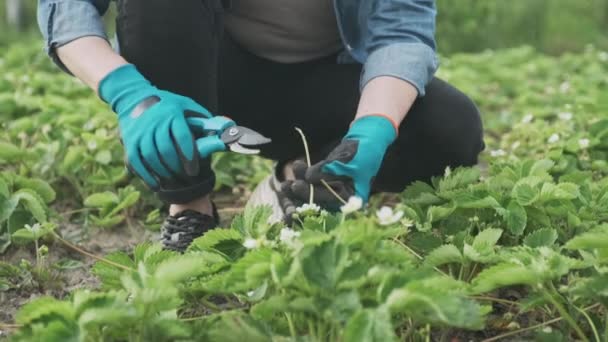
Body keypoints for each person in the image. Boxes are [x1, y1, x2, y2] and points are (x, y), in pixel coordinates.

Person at [37, 0, 484, 252]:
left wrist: (374, 127)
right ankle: (190, 209)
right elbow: (67, 8)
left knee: (449, 127)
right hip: (211, 78)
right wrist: (127, 92)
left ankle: (300, 179)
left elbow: (402, 35)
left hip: (327, 82)